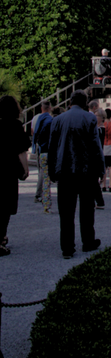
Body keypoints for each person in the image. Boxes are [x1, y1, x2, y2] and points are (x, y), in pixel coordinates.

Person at [48, 90, 105, 259]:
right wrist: (100, 169)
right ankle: (88, 241)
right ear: (85, 103)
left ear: (71, 102)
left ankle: (67, 247)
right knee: (87, 209)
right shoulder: (89, 118)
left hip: (64, 171)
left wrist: (51, 170)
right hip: (86, 171)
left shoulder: (57, 120)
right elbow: (96, 146)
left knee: (65, 211)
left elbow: (52, 148)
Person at [0, 95, 30, 257]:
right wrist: (25, 170)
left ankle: (2, 237)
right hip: (9, 170)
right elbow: (21, 150)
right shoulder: (16, 126)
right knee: (6, 206)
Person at [32, 101, 54, 213]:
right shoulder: (50, 120)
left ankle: (46, 204)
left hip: (41, 151)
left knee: (45, 178)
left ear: (41, 108)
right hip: (50, 151)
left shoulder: (37, 119)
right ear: (49, 108)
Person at [99, 108, 111, 193]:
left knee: (104, 166)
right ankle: (110, 185)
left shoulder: (102, 124)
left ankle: (103, 185)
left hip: (103, 145)